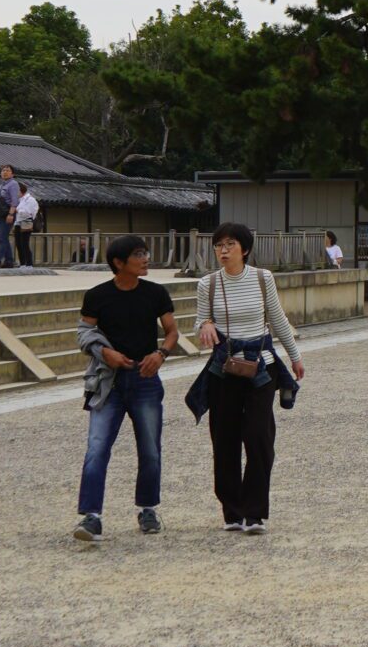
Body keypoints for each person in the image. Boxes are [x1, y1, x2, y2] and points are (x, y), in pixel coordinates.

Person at [192, 222, 306, 536]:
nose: (223, 250)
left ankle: (255, 512)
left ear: (245, 249)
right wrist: (205, 325)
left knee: (258, 437)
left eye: (230, 244)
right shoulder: (207, 284)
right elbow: (200, 321)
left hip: (261, 367)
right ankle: (232, 510)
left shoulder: (262, 278)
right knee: (224, 439)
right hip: (225, 368)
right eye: (219, 245)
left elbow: (277, 318)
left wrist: (294, 356)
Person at [72, 234, 179, 545]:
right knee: (97, 448)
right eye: (138, 254)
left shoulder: (156, 293)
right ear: (119, 263)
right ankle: (91, 516)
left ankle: (148, 509)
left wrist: (161, 354)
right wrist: (105, 353)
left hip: (145, 378)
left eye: (145, 253)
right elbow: (84, 332)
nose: (146, 259)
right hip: (110, 381)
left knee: (150, 449)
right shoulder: (97, 295)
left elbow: (172, 331)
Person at [0, 165, 23, 268]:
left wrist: (11, 214)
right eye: (3, 170)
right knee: (2, 238)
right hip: (0, 213)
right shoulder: (0, 186)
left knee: (2, 237)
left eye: (8, 170)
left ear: (12, 174)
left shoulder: (13, 184)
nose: (5, 172)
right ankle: (9, 261)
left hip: (8, 212)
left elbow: (15, 201)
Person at [12, 184, 41, 269]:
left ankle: (29, 263)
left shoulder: (30, 200)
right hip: (18, 223)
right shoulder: (19, 200)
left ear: (20, 191)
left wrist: (17, 210)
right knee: (18, 244)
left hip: (26, 223)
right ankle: (22, 263)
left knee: (24, 243)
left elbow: (29, 213)